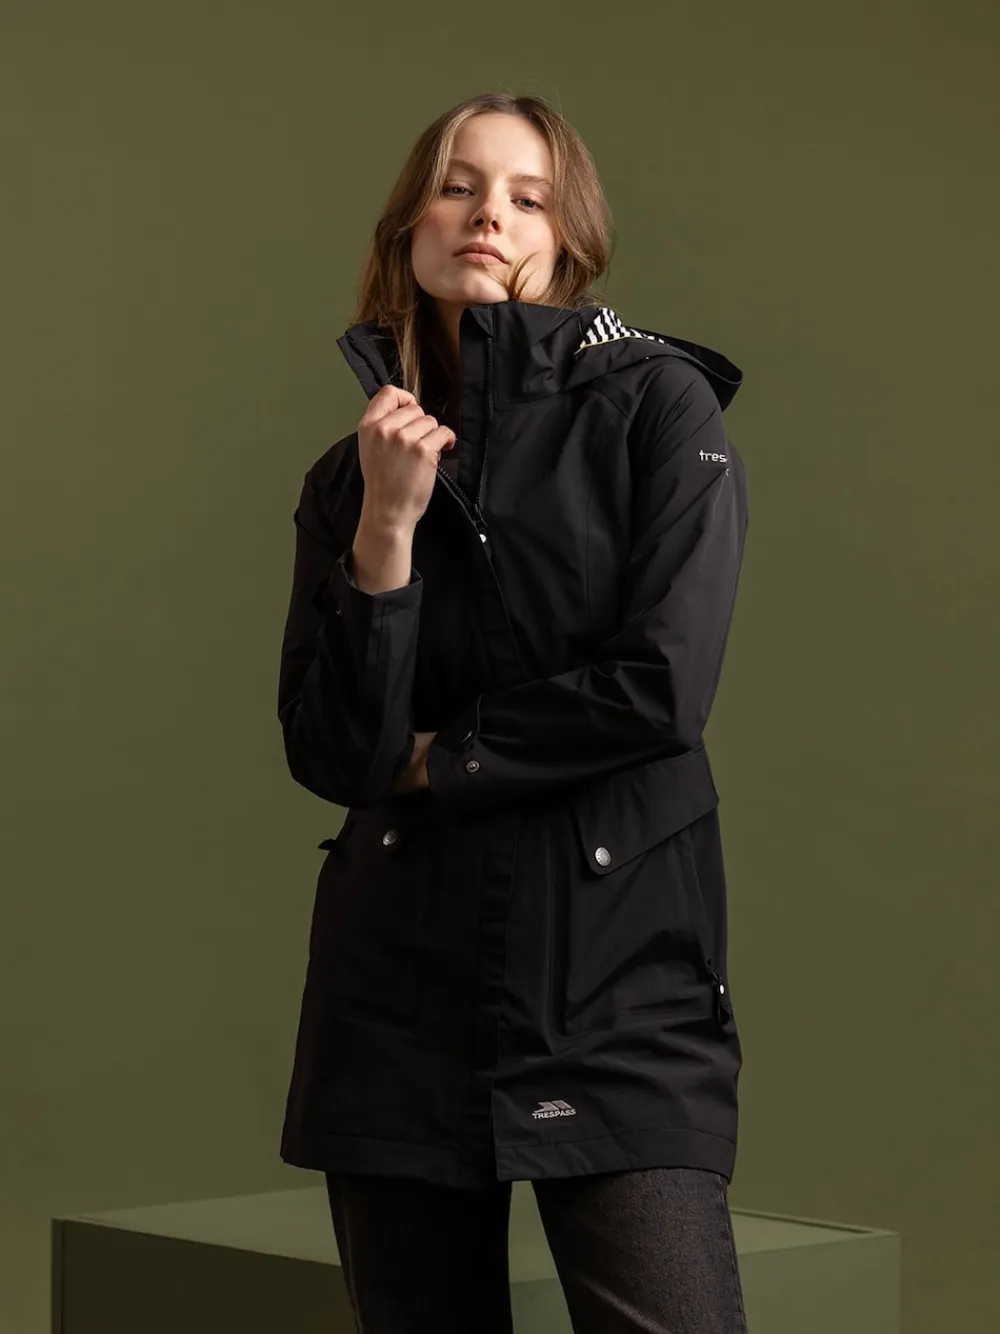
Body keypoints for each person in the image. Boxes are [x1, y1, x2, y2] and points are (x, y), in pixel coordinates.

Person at [276, 91, 751, 1334]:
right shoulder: (349, 479)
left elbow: (662, 683)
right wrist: (387, 529)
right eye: (458, 185)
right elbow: (335, 751)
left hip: (615, 980)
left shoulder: (660, 408)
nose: (489, 213)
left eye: (527, 197)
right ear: (408, 228)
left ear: (567, 241)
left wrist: (445, 758)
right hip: (394, 989)